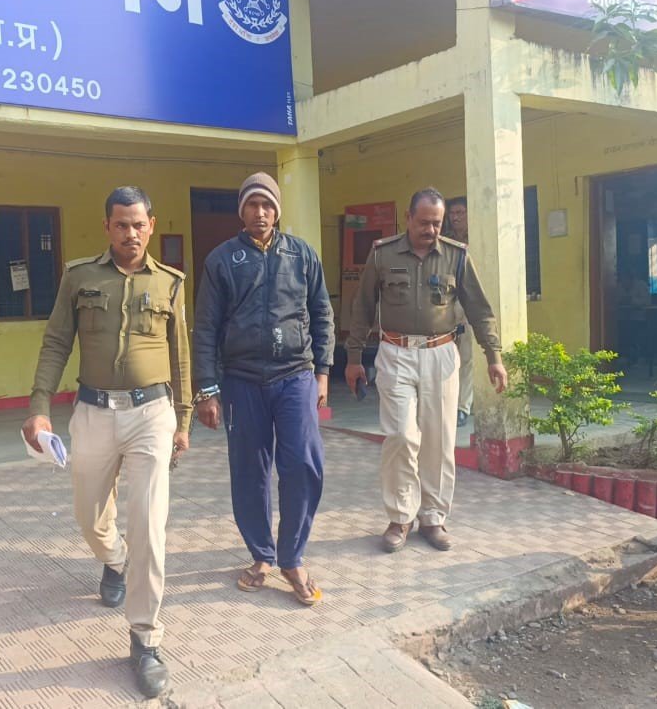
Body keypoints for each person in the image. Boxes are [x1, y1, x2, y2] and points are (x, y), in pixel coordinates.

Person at [22, 186, 190, 699]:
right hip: (93, 412)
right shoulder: (79, 277)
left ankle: (146, 640)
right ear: (107, 227)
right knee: (89, 517)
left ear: (151, 225)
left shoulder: (171, 283)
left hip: (151, 414)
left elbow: (180, 354)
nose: (130, 233)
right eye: (121, 225)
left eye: (139, 224)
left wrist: (183, 419)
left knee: (148, 525)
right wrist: (39, 407)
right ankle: (114, 560)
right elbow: (56, 341)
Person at [192, 172, 335, 606]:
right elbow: (205, 328)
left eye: (268, 205)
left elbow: (322, 313)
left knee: (303, 464)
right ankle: (262, 556)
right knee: (249, 471)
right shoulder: (222, 260)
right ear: (242, 210)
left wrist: (323, 372)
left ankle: (293, 558)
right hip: (242, 380)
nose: (261, 212)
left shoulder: (302, 254)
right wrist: (207, 390)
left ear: (277, 210)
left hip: (295, 376)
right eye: (252, 205)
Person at [344, 187, 507, 553]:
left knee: (439, 439)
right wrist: (354, 358)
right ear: (408, 218)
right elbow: (363, 307)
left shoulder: (456, 256)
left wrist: (493, 356)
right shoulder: (383, 254)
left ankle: (433, 517)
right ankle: (400, 516)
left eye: (437, 223)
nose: (431, 230)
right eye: (424, 223)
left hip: (441, 354)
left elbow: (480, 310)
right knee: (401, 436)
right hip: (395, 352)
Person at [442, 196, 475, 427]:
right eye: (452, 214)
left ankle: (463, 406)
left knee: (467, 354)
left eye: (460, 213)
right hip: (447, 300)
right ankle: (447, 402)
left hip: (470, 301)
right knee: (446, 353)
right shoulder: (445, 240)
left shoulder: (479, 238)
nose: (455, 217)